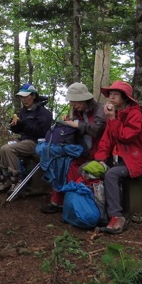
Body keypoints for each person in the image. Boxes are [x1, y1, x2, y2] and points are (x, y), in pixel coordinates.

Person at [81, 80, 142, 234]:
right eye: (110, 94)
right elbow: (106, 140)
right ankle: (98, 213)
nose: (111, 97)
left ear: (125, 97)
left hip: (135, 160)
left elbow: (125, 137)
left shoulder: (135, 114)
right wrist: (100, 159)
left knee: (111, 174)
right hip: (118, 159)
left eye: (116, 94)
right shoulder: (116, 114)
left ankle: (116, 217)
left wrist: (112, 119)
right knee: (87, 168)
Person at [41, 82, 107, 213]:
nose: (72, 105)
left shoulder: (101, 109)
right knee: (61, 162)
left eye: (74, 102)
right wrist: (69, 121)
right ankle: (60, 201)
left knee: (72, 167)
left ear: (83, 99)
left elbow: (96, 130)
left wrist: (76, 124)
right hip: (84, 151)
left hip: (100, 152)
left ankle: (74, 204)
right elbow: (79, 128)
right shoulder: (79, 111)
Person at [0, 83, 53, 194]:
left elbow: (42, 133)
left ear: (34, 96)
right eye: (22, 97)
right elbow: (18, 130)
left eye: (26, 96)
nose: (24, 100)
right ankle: (7, 180)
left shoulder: (44, 113)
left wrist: (24, 123)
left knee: (9, 149)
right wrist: (14, 125)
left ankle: (19, 181)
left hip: (36, 143)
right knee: (3, 148)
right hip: (23, 140)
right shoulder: (23, 112)